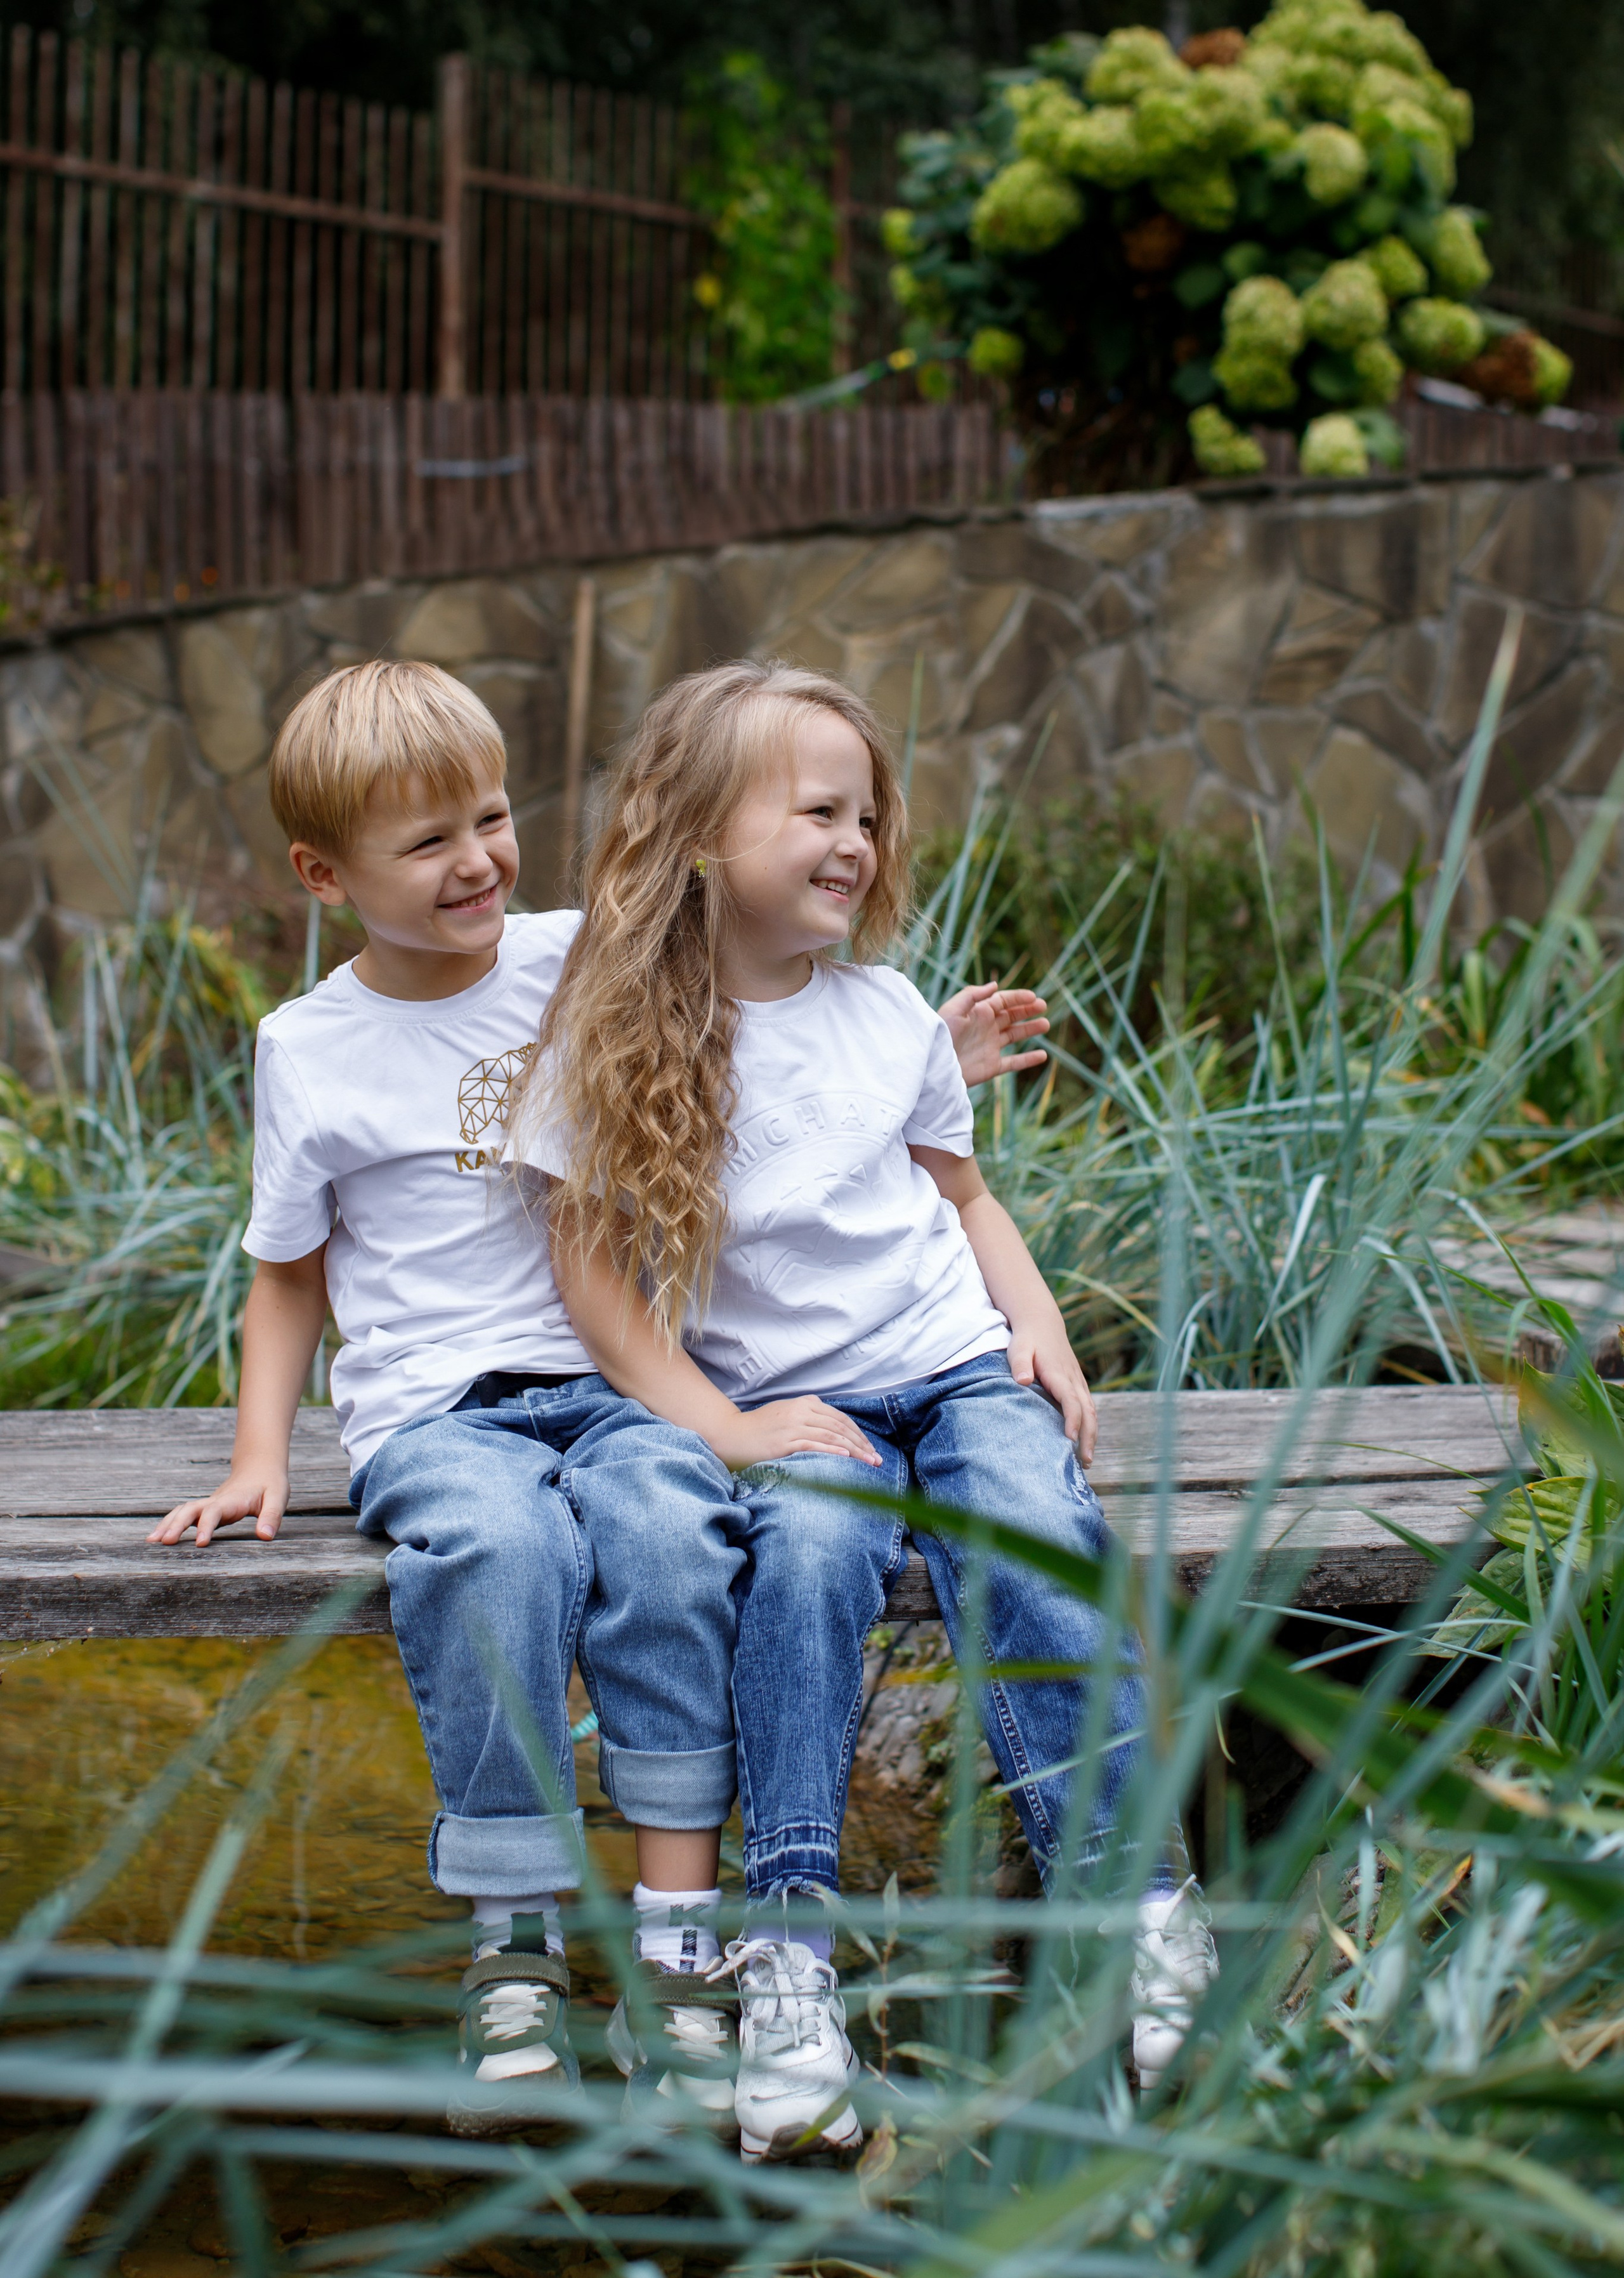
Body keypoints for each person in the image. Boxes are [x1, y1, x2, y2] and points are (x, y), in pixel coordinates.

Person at [148, 657, 1051, 2142]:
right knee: (500, 1553)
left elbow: (763, 975)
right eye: (424, 840)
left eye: (491, 818)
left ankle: (676, 1945)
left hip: (620, 1380)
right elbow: (288, 1272)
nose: (476, 862)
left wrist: (919, 1059)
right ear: (324, 874)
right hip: (437, 1410)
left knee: (673, 1524)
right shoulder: (308, 1050)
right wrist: (262, 1454)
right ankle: (512, 1942)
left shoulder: (577, 955)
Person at [518, 660, 1217, 2163]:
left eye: (867, 811)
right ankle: (784, 1957)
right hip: (792, 1404)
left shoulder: (887, 1010)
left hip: (952, 1366)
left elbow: (960, 1193)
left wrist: (1036, 1332)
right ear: (701, 830)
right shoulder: (626, 1034)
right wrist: (720, 1423)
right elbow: (592, 1276)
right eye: (816, 809)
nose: (855, 837)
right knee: (813, 1563)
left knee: (1032, 1523)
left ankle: (1134, 1913)